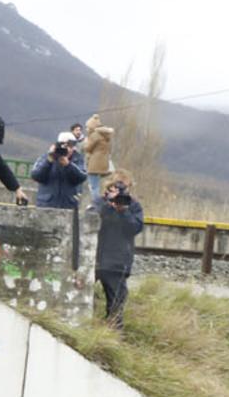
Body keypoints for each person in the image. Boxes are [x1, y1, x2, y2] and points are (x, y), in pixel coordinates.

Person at [93, 178, 146, 328]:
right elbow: (89, 221)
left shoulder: (133, 206)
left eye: (120, 191)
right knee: (82, 296)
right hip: (95, 259)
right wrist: (108, 206)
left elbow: (135, 228)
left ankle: (112, 337)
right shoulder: (99, 202)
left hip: (117, 262)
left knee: (116, 307)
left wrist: (124, 211)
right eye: (112, 189)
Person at [31, 132, 88, 209]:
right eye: (65, 146)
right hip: (46, 205)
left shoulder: (77, 159)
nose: (69, 149)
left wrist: (68, 165)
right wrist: (49, 161)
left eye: (71, 146)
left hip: (68, 205)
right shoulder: (46, 157)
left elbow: (82, 177)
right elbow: (36, 175)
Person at [82, 113, 115, 199]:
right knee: (98, 185)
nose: (86, 129)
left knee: (93, 186)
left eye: (87, 127)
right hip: (103, 163)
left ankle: (95, 203)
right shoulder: (106, 136)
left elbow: (87, 148)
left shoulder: (95, 135)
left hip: (94, 164)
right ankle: (99, 201)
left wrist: (85, 143)